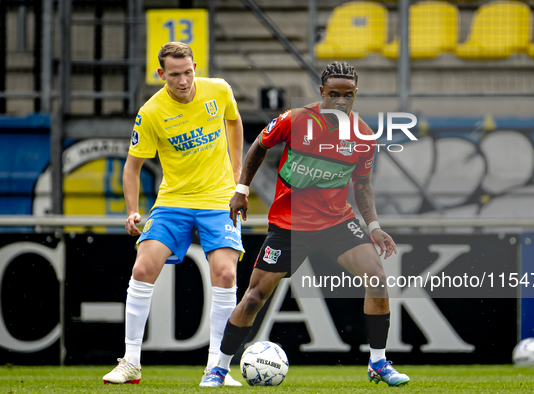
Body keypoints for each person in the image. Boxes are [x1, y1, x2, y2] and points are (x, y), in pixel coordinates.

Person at [200, 61, 410, 387]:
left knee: (377, 276)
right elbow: (259, 146)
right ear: (322, 92)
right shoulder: (295, 119)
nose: (342, 101)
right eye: (335, 94)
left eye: (349, 95)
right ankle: (219, 368)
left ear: (356, 95)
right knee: (255, 296)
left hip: (337, 222)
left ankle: (379, 363)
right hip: (289, 225)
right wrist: (241, 190)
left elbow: (363, 186)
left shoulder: (364, 135)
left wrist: (373, 226)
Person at [102, 42, 244, 386]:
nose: (183, 81)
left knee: (225, 275)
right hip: (173, 201)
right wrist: (133, 211)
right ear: (161, 74)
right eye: (175, 75)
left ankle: (216, 368)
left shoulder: (219, 90)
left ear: (196, 66)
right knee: (142, 267)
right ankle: (131, 362)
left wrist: (239, 179)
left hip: (218, 200)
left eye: (188, 72)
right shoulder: (151, 112)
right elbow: (131, 168)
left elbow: (235, 124)